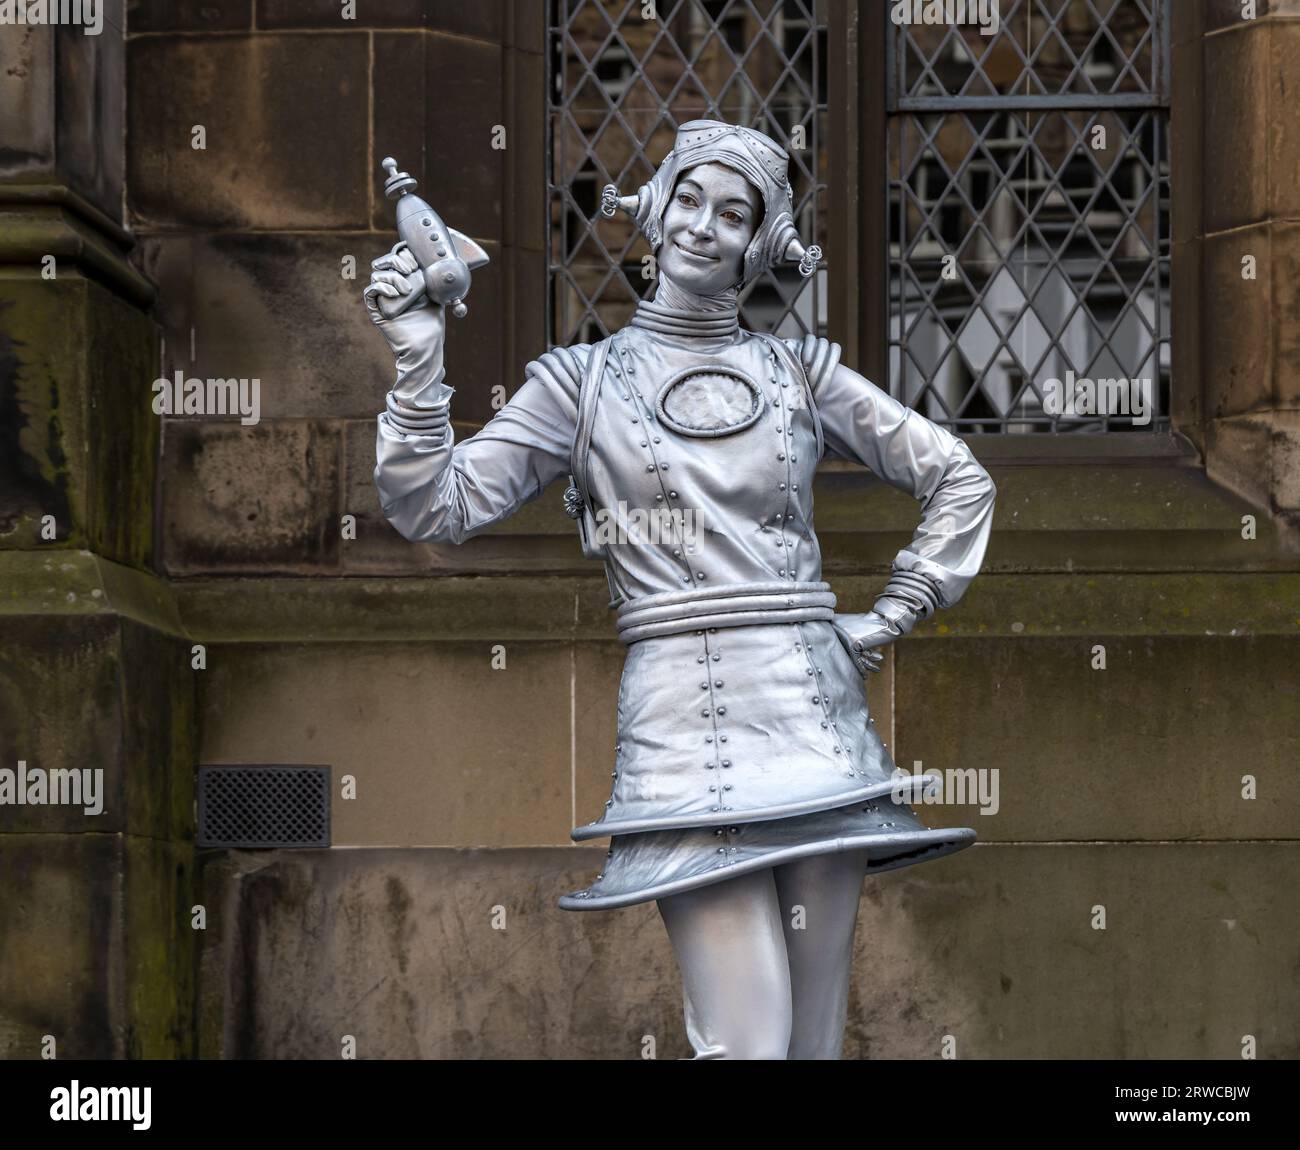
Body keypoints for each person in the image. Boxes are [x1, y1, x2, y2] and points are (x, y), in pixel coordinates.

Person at [366, 119, 997, 1060]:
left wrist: (893, 614)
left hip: (818, 725)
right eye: (691, 199)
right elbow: (434, 506)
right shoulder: (577, 387)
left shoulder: (800, 372)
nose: (705, 226)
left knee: (814, 1045)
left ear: (762, 246)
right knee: (748, 1043)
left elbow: (961, 476)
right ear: (656, 209)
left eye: (735, 213)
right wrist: (419, 355)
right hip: (683, 736)